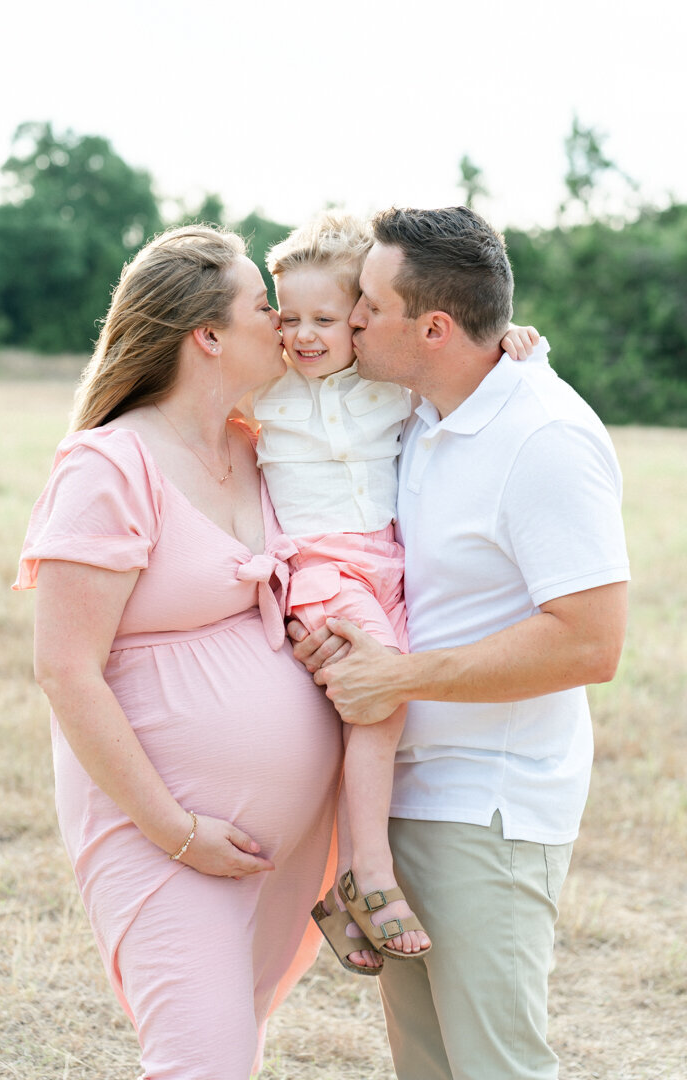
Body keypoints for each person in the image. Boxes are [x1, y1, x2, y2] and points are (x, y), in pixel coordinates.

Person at [290, 206, 630, 1080]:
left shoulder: (545, 437)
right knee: (430, 1066)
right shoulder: (417, 411)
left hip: (490, 808)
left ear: (433, 327)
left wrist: (396, 677)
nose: (351, 317)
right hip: (406, 801)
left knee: (495, 1067)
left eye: (368, 303)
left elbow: (589, 645)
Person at [13, 225, 343, 1080]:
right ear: (207, 335)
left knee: (233, 1044)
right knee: (205, 1062)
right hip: (161, 834)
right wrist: (176, 830)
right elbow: (64, 668)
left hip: (278, 848)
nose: (281, 324)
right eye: (263, 307)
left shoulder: (257, 447)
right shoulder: (108, 465)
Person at [254, 211, 536, 975]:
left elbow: (458, 368)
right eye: (289, 318)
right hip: (320, 568)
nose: (305, 335)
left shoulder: (386, 393)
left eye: (328, 317)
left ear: (359, 322)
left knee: (378, 719)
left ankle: (341, 889)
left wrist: (511, 341)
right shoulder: (265, 390)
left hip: (387, 566)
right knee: (379, 699)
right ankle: (371, 873)